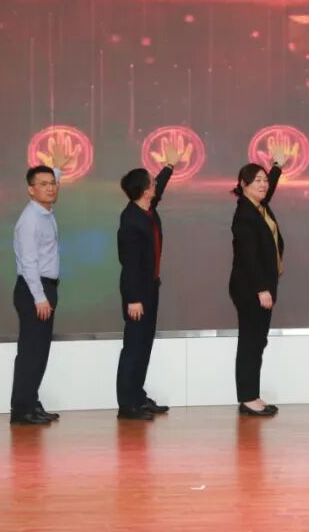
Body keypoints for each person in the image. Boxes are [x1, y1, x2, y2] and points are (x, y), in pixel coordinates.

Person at [115, 138, 188, 420]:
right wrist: (133, 298)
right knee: (134, 347)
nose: (155, 184)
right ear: (145, 190)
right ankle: (127, 405)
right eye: (152, 182)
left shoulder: (146, 208)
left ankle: (138, 396)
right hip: (138, 294)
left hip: (150, 288)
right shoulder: (131, 220)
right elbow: (130, 264)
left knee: (144, 345)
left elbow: (161, 187)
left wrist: (169, 166)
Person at [229, 142, 291, 417]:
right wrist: (261, 289)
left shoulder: (258, 206)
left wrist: (276, 166)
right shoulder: (244, 215)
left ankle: (251, 395)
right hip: (251, 289)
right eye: (257, 181)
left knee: (257, 341)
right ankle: (248, 398)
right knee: (251, 342)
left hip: (261, 287)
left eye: (265, 180)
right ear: (243, 185)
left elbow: (269, 189)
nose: (264, 185)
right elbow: (248, 257)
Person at [9, 146, 68, 426]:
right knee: (31, 353)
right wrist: (39, 297)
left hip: (45, 289)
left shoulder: (44, 212)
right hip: (35, 290)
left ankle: (31, 402)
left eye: (53, 183)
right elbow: (29, 262)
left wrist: (57, 169)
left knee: (40, 352)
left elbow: (51, 182)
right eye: (43, 184)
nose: (51, 188)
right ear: (30, 190)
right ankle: (22, 410)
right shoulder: (30, 220)